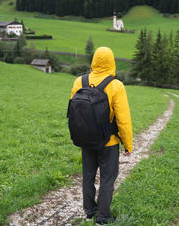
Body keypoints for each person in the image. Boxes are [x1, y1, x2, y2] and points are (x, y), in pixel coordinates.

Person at [70, 47, 133, 224]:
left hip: (86, 139)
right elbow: (123, 120)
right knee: (107, 179)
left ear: (94, 60)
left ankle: (90, 211)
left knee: (88, 176)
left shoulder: (78, 82)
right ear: (111, 62)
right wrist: (128, 144)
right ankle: (103, 217)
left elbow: (74, 113)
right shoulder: (116, 86)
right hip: (109, 142)